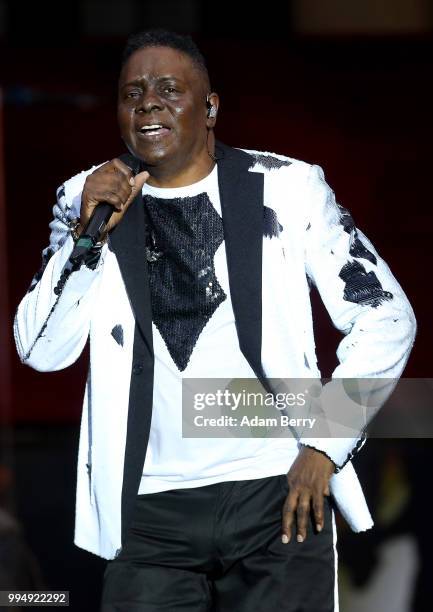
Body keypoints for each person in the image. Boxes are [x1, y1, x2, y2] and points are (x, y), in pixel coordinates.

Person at [13, 29, 416, 612]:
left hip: (275, 494)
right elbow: (41, 350)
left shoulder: (287, 187)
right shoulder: (85, 199)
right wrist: (86, 237)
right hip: (146, 510)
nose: (148, 102)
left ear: (210, 107)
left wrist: (326, 445)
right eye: (132, 93)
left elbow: (387, 316)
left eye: (169, 89)